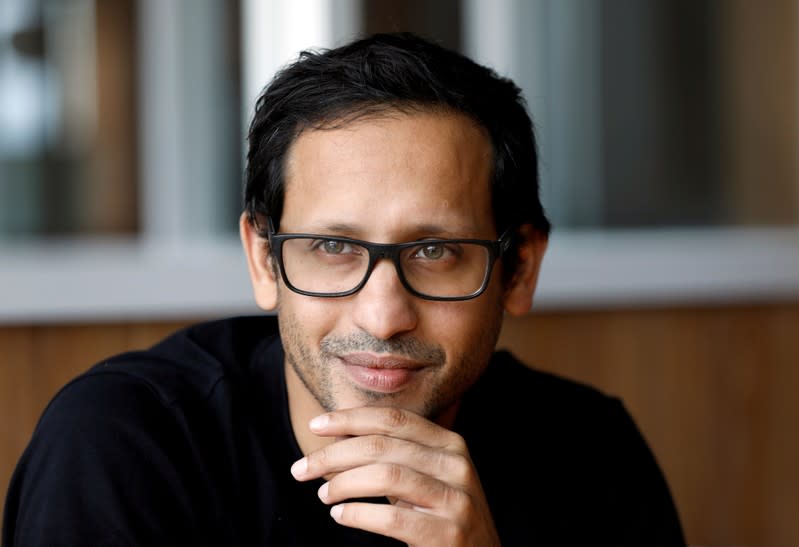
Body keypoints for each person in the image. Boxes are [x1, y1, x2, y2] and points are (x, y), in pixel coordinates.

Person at [3, 32, 685, 546]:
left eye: (435, 250)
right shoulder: (123, 445)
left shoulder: (592, 455)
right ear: (264, 260)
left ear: (520, 268)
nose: (383, 315)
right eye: (331, 247)